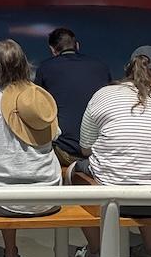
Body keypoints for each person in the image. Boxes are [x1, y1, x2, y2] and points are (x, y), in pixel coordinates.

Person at [75, 46, 151, 257]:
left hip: (118, 198)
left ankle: (96, 251)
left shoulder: (103, 94)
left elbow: (86, 147)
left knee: (75, 172)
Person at [0, 40, 62, 257]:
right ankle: (11, 253)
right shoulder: (40, 100)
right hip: (48, 196)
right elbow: (54, 136)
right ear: (24, 65)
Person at [34, 27, 111, 167]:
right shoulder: (101, 67)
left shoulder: (45, 68)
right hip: (100, 152)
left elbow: (38, 110)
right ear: (77, 45)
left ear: (52, 49)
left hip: (65, 152)